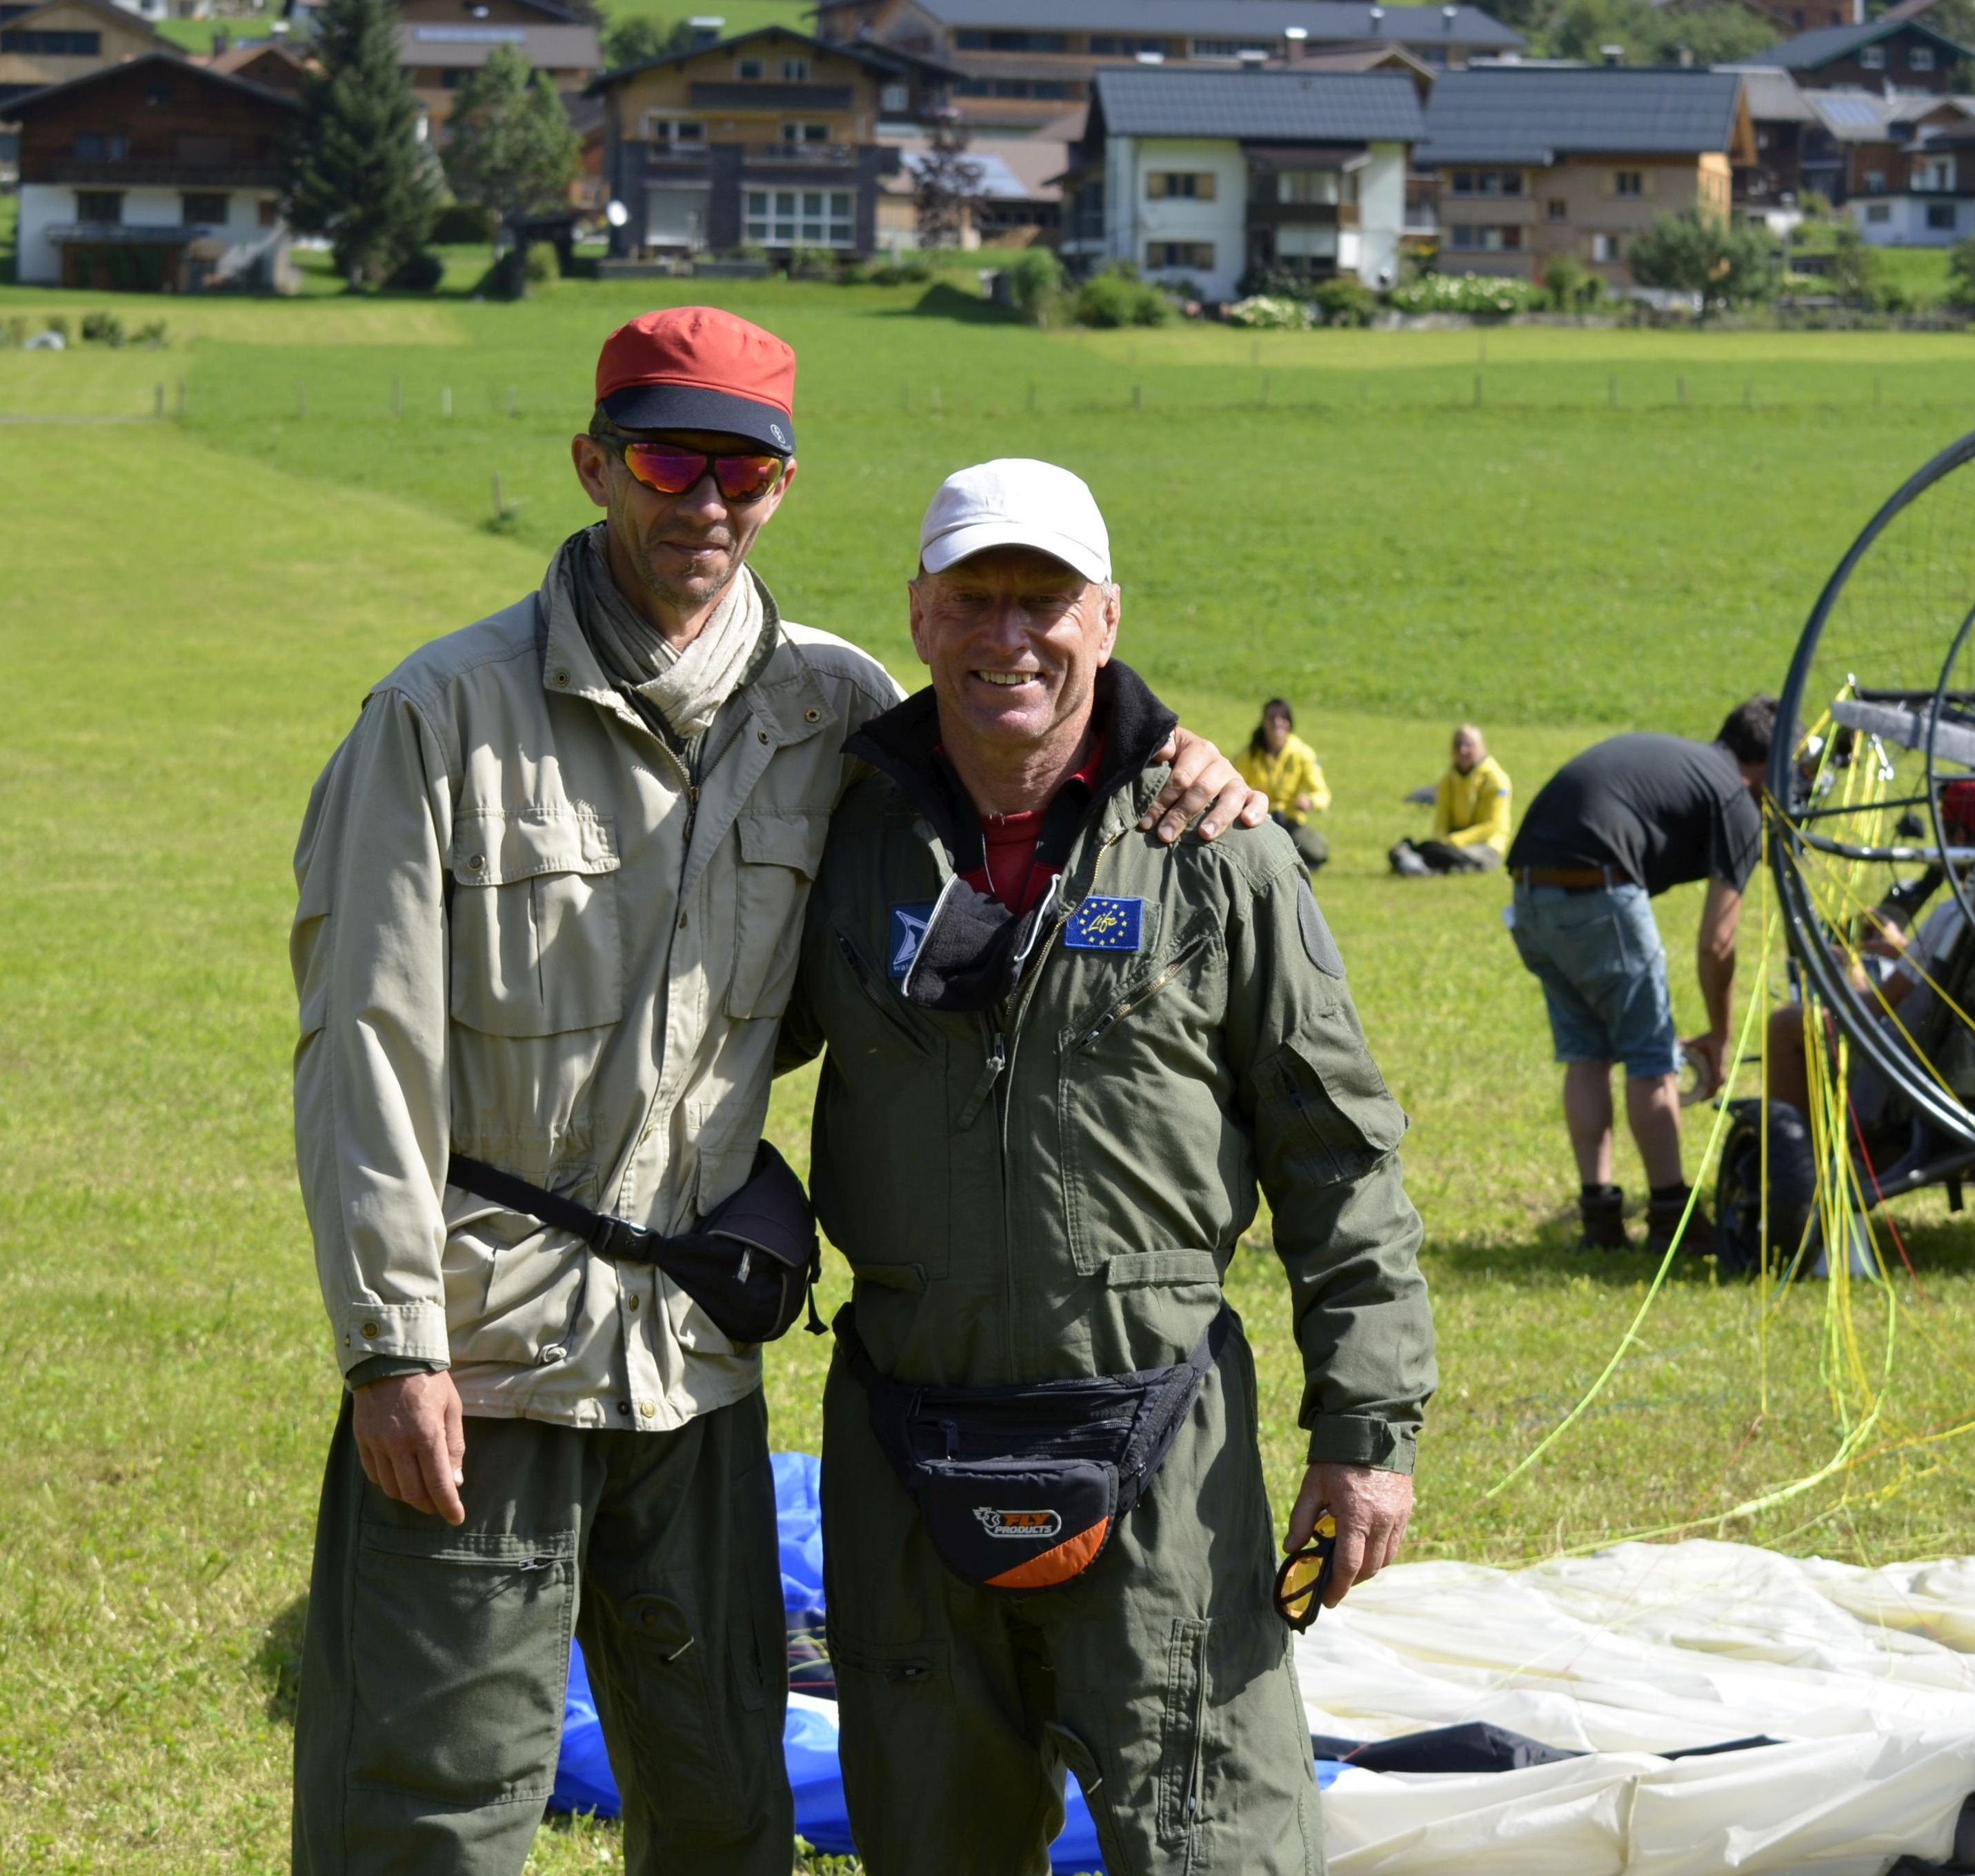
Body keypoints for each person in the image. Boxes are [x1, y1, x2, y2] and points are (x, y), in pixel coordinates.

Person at [286, 312, 1263, 1876]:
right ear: (595, 464)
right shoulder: (440, 715)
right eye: (668, 461)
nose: (706, 500)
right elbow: (365, 1050)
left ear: (785, 485)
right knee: (431, 1805)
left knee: (724, 1802)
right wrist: (395, 1345)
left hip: (697, 1362)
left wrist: (1176, 761)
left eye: (743, 469)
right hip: (489, 1350)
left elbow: (1024, 765)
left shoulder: (835, 708)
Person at [784, 459, 1433, 1874]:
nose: (1008, 635)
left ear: (1108, 617)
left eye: (1045, 599)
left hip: (1160, 1439)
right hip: (903, 1439)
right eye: (974, 598)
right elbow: (690, 1055)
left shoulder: (1212, 851)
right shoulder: (834, 836)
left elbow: (1336, 1155)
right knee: (929, 1846)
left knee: (1218, 1845)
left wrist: (1365, 1431)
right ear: (919, 614)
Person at [1506, 699, 1774, 1255]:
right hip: (1597, 889)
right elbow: (1718, 942)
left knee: (1586, 1054)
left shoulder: (1689, 763)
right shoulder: (1737, 800)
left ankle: (1600, 1219)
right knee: (1651, 1059)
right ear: (1767, 765)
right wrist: (1721, 1035)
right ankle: (1673, 1219)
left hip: (1530, 894)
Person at [1389, 723, 1511, 875]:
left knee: (1456, 857)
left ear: (1481, 747)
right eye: (1458, 745)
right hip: (1452, 842)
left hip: (1486, 845)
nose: (1463, 750)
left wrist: (1455, 841)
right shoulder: (1448, 781)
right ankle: (1412, 860)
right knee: (1433, 850)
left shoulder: (1496, 780)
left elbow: (1492, 826)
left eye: (1469, 745)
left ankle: (1420, 865)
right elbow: (1442, 820)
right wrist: (1441, 841)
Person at [1242, 696, 1332, 871]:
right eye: (1272, 718)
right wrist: (1250, 794)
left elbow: (1323, 794)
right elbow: (1235, 782)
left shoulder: (1301, 754)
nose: (1277, 723)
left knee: (1316, 849)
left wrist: (1310, 801)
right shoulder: (1251, 754)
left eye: (1283, 718)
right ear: (1264, 722)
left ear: (1289, 723)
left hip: (1290, 821)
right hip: (1261, 820)